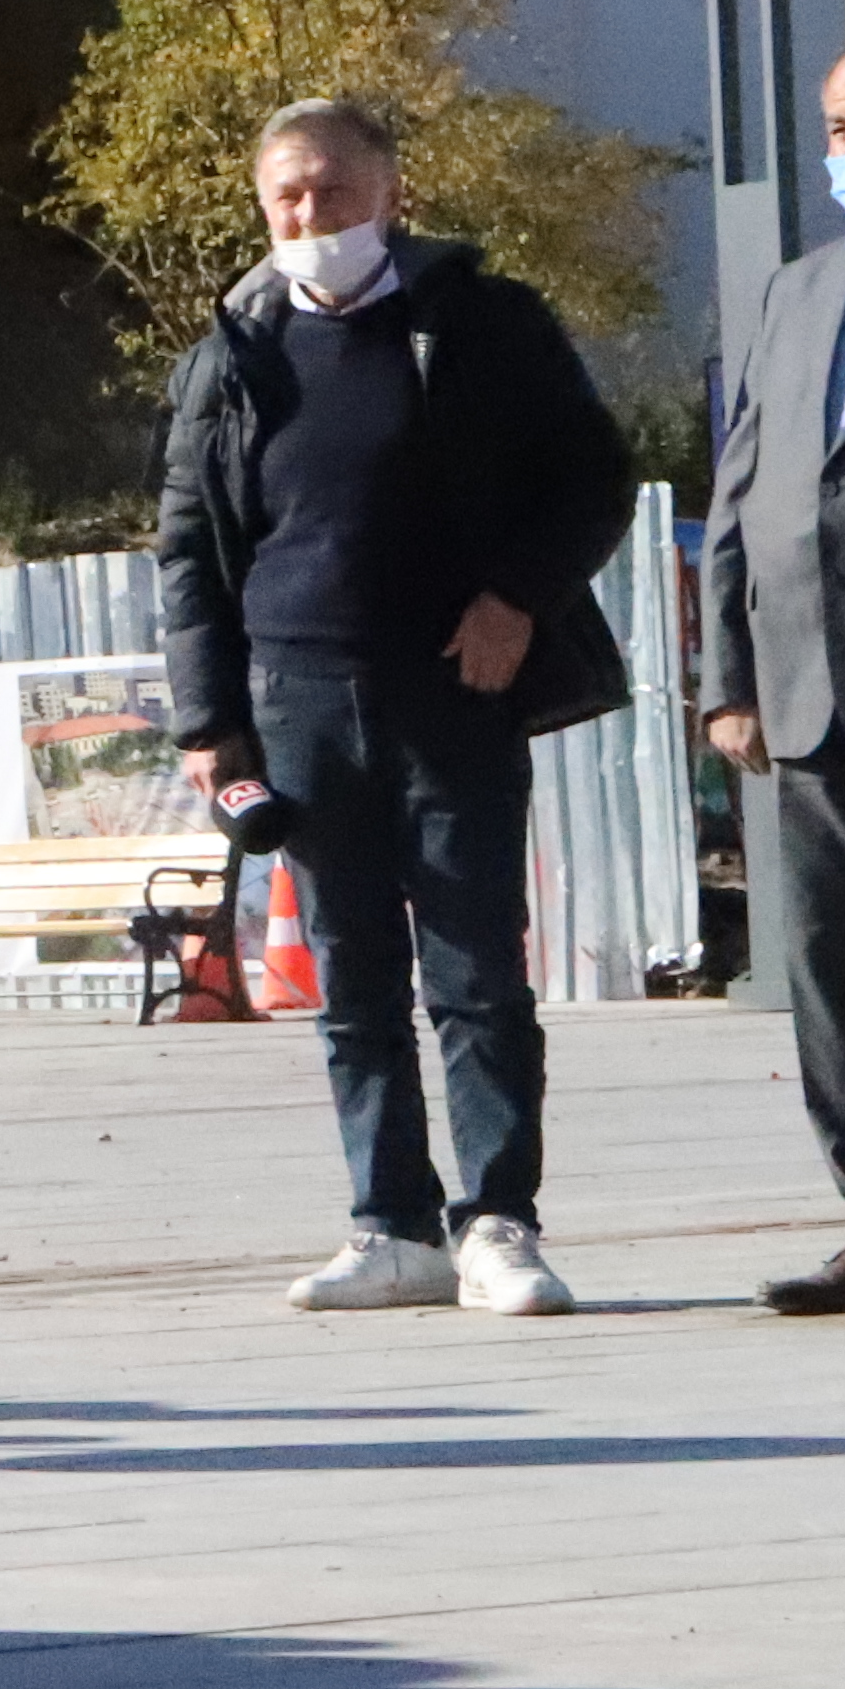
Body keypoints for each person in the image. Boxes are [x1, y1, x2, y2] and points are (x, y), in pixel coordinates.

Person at [157, 97, 634, 1317]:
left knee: (477, 971)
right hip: (299, 703)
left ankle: (497, 1222)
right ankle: (391, 1223)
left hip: (452, 693)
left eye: (333, 191)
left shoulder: (481, 321)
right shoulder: (231, 354)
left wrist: (515, 597)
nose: (311, 218)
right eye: (288, 198)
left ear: (390, 193)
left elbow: (592, 473)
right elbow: (187, 549)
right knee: (353, 981)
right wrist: (212, 724)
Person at [702, 25, 845, 1316]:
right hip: (814, 695)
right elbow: (749, 492)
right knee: (844, 977)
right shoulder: (798, 296)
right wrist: (731, 674)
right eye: (839, 132)